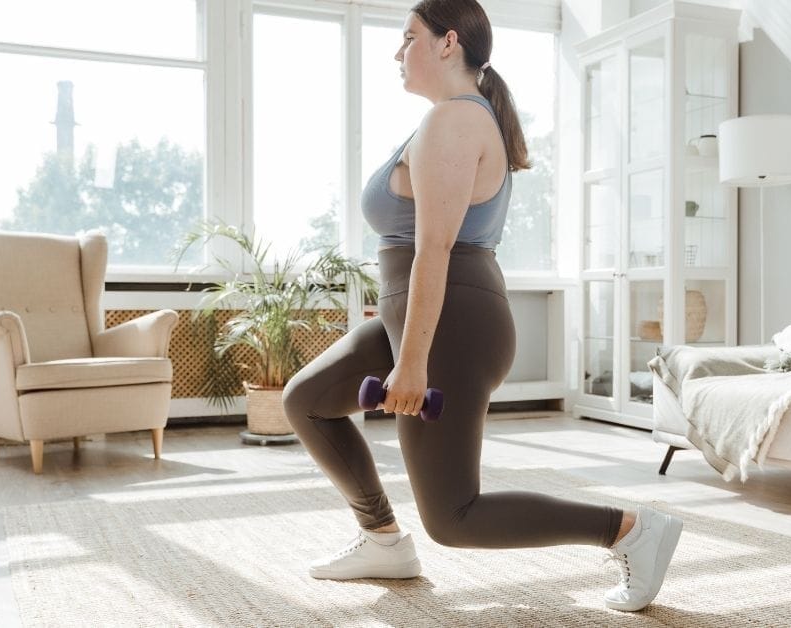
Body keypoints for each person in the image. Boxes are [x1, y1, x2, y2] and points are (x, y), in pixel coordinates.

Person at [281, 0, 682, 612]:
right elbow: (415, 251)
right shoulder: (446, 120)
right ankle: (382, 539)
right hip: (422, 316)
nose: (397, 51)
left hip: (454, 326)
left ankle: (629, 529)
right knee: (308, 399)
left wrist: (412, 362)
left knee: (454, 517)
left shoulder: (456, 122)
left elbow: (435, 250)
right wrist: (393, 325)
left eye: (407, 37)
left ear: (447, 43)